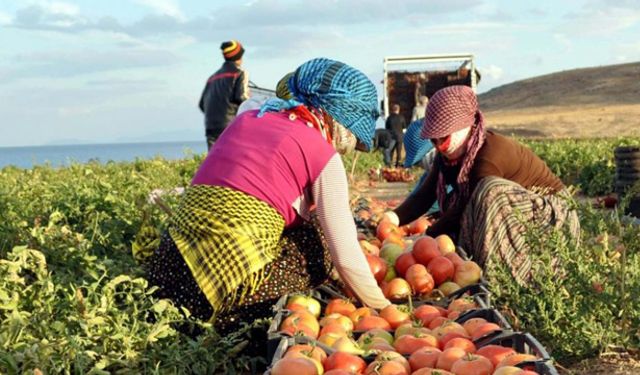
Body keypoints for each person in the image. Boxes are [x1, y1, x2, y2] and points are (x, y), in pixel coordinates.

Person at [146, 58, 390, 337]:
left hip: (167, 278)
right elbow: (344, 253)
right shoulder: (322, 153)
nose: (348, 148)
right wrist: (383, 310)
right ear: (339, 119)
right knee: (318, 242)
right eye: (352, 137)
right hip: (222, 295)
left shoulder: (247, 120)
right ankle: (237, 322)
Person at [384, 85, 580, 283]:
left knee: (488, 190)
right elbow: (424, 195)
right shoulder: (448, 157)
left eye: (444, 136)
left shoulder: (490, 153)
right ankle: (470, 268)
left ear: (466, 126)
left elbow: (465, 206)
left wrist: (424, 238)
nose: (438, 144)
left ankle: (507, 278)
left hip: (550, 218)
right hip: (515, 214)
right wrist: (391, 219)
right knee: (470, 202)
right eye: (433, 140)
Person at [198, 40, 250, 150]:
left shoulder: (212, 78)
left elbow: (202, 104)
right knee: (233, 161)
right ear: (239, 56)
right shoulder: (240, 73)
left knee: (215, 162)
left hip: (211, 127)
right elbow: (242, 98)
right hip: (230, 127)